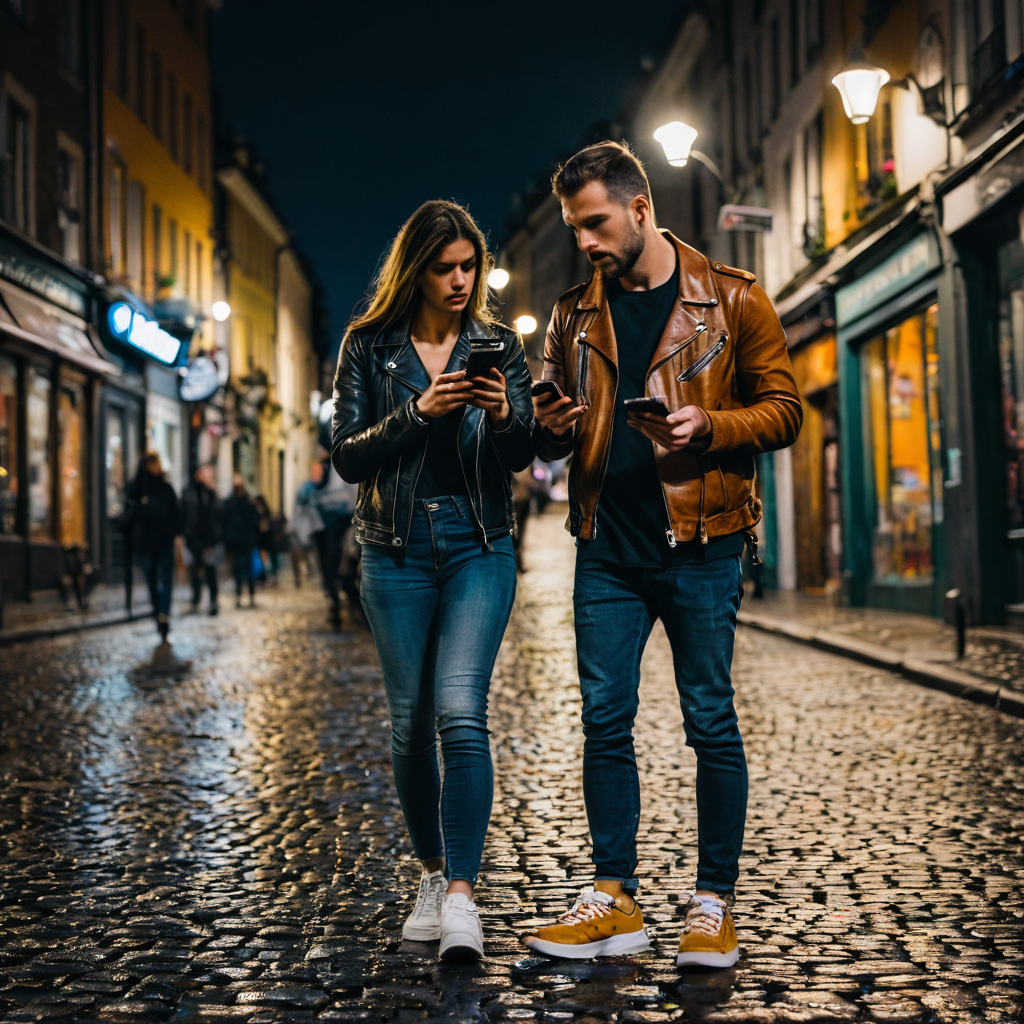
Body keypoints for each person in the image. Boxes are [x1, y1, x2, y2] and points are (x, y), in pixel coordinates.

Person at [524, 142, 802, 967]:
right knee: (603, 722)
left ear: (640, 209)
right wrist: (551, 428)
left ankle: (713, 902)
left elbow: (784, 410)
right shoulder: (574, 314)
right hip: (606, 543)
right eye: (574, 228)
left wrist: (708, 426)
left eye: (595, 223)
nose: (584, 241)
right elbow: (545, 429)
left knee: (709, 719)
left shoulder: (733, 300)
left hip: (704, 542)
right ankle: (614, 897)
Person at [332, 199, 534, 960]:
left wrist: (507, 410)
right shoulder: (368, 344)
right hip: (394, 547)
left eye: (469, 266)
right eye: (445, 268)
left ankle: (462, 897)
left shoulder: (497, 344)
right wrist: (419, 410)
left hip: (479, 543)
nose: (460, 280)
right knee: (410, 722)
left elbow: (518, 457)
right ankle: (428, 870)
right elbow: (347, 453)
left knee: (459, 709)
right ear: (415, 269)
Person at [126, 452, 181, 643]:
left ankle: (161, 612)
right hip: (155, 542)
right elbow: (175, 515)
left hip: (151, 542)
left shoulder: (145, 488)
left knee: (157, 579)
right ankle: (162, 613)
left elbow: (175, 515)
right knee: (161, 580)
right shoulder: (154, 488)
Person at [181, 464, 223, 615]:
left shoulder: (211, 494)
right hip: (193, 539)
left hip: (209, 539)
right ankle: (196, 599)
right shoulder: (188, 493)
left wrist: (215, 539)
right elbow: (184, 515)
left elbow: (217, 518)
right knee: (194, 571)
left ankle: (213, 601)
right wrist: (185, 535)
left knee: (210, 570)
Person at [222, 474, 260, 609]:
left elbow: (254, 522)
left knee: (247, 571)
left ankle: (249, 596)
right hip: (238, 542)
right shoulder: (232, 503)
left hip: (245, 542)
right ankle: (241, 596)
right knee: (239, 571)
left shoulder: (247, 503)